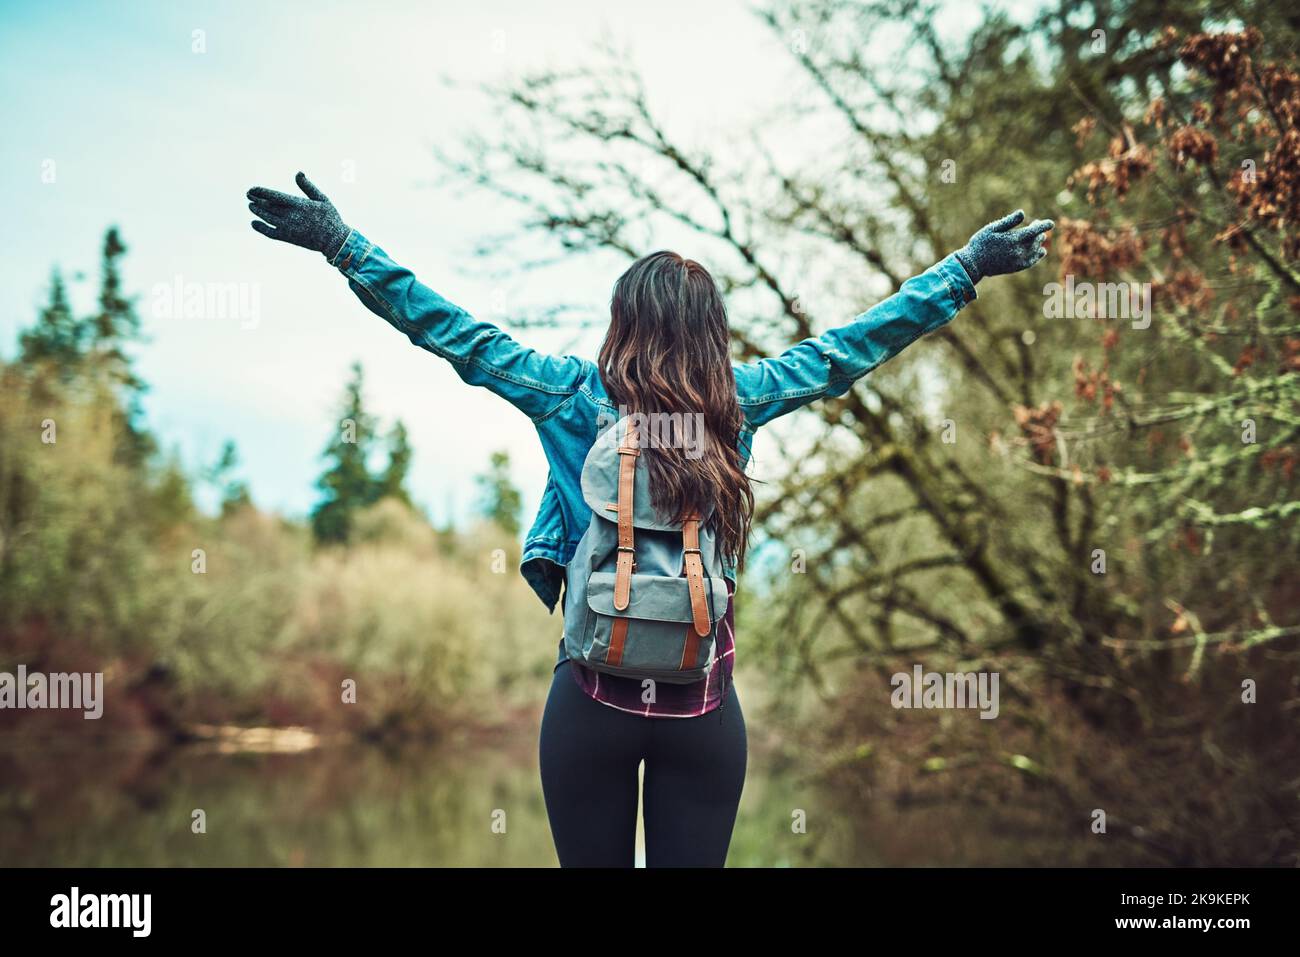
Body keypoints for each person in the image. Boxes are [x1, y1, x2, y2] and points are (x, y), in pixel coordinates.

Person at [246, 171, 1053, 867]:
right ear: (711, 331)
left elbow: (451, 331)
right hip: (702, 710)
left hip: (591, 702)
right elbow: (850, 348)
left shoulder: (567, 393)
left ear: (621, 321)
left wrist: (344, 245)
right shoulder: (741, 401)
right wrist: (965, 268)